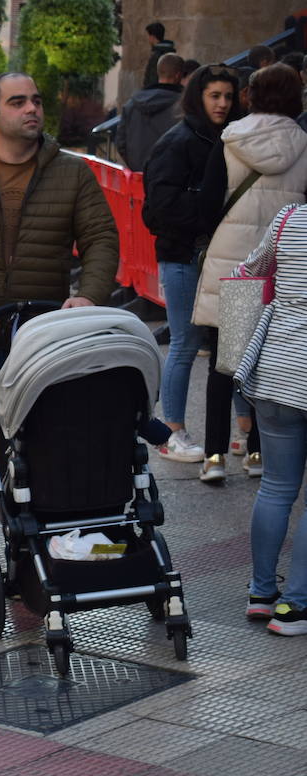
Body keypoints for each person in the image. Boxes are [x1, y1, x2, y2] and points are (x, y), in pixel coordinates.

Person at [0, 72, 118, 578]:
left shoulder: (71, 172)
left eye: (36, 99)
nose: (32, 108)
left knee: (47, 433)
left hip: (44, 334)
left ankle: (46, 528)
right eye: (18, 102)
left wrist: (89, 297)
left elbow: (101, 238)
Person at [193, 63, 307, 484]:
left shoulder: (230, 141)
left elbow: (206, 209)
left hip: (235, 268)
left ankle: (214, 458)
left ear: (251, 97)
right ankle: (257, 452)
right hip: (285, 273)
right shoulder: (305, 146)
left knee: (224, 365)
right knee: (268, 364)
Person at [141, 64, 243, 464]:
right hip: (184, 255)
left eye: (228, 96)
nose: (222, 103)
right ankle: (173, 430)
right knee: (185, 343)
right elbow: (158, 207)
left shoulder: (230, 137)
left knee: (228, 346)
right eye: (214, 95)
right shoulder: (179, 140)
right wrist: (205, 212)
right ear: (198, 96)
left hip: (218, 256)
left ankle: (242, 432)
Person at [233, 204, 307, 632]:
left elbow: (246, 274)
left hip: (276, 367)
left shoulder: (287, 218)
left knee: (277, 487)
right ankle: (295, 606)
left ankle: (262, 593)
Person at [117, 53, 185, 172]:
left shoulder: (131, 104)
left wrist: (135, 165)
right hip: (170, 177)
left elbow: (120, 142)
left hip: (139, 175)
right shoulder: (185, 106)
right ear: (178, 75)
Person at [143, 22, 177, 89]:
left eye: (148, 36)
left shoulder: (156, 56)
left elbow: (152, 80)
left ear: (152, 37)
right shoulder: (173, 55)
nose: (148, 39)